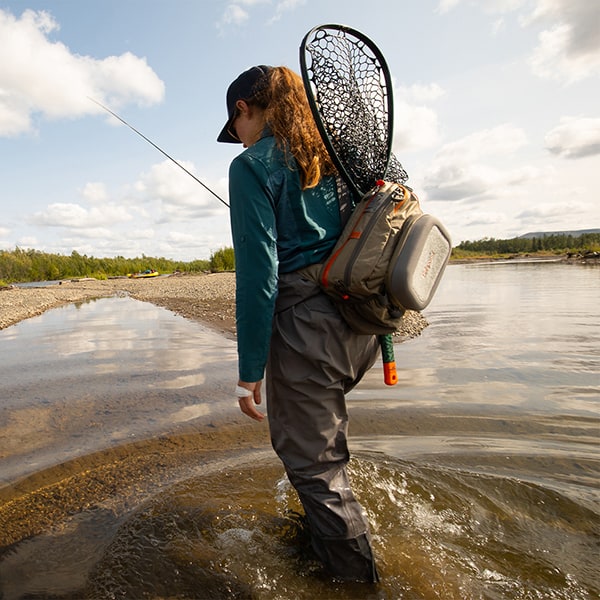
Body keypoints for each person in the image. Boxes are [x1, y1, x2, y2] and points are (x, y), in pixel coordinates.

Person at [217, 65, 380, 582]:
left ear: (244, 109)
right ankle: (318, 544)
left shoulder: (251, 166)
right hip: (363, 324)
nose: (236, 141)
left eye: (234, 128)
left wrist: (250, 370)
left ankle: (356, 583)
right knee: (320, 453)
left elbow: (258, 277)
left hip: (308, 330)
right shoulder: (337, 151)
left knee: (314, 466)